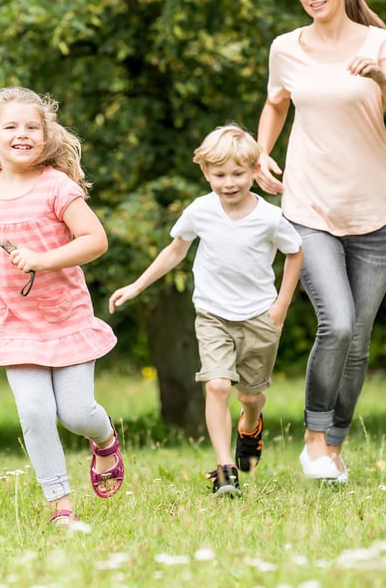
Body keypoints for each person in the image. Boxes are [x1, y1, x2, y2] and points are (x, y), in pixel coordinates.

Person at [256, 0, 386, 482]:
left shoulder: (382, 45)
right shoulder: (287, 48)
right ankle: (313, 439)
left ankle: (334, 444)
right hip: (310, 206)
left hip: (377, 213)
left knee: (359, 338)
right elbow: (276, 102)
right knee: (339, 323)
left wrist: (380, 78)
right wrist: (262, 153)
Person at [0, 86, 124, 526]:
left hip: (65, 319)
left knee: (75, 413)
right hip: (16, 325)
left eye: (32, 127)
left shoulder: (56, 185)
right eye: (11, 127)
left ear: (45, 137)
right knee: (33, 413)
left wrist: (44, 259)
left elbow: (95, 240)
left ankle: (104, 439)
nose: (22, 134)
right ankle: (59, 507)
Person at [109, 125, 303, 496]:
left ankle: (251, 425)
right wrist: (136, 285)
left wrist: (281, 304)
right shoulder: (200, 210)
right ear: (205, 173)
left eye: (238, 174)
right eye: (219, 175)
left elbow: (295, 252)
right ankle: (225, 467)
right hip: (213, 313)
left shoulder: (269, 217)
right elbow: (175, 251)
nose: (229, 183)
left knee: (250, 395)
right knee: (216, 385)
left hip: (260, 316)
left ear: (254, 171)